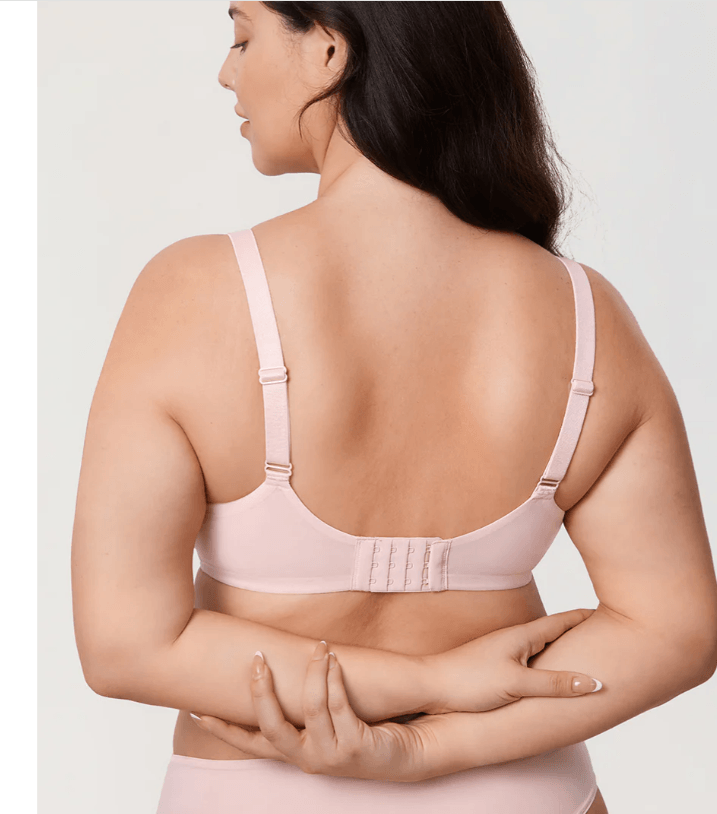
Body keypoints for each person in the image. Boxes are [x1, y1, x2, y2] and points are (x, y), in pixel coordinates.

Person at [70, 3, 717, 813]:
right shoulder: (584, 315)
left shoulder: (195, 292)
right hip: (522, 791)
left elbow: (128, 643)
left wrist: (421, 696)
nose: (227, 72)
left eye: (242, 35)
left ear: (330, 50)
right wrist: (430, 736)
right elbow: (671, 630)